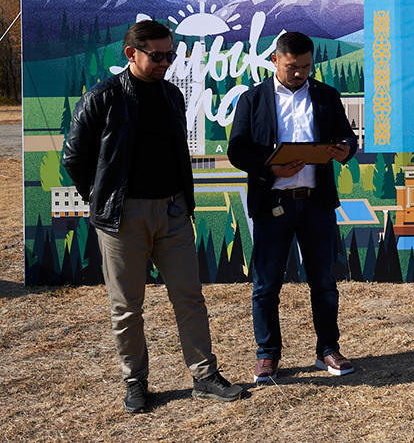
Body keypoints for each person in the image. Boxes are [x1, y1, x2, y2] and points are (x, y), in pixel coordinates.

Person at [62, 20, 244, 413]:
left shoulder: (171, 95)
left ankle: (204, 376)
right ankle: (136, 382)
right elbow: (73, 157)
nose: (166, 62)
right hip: (122, 217)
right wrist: (100, 199)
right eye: (158, 55)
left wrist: (181, 200)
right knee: (127, 306)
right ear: (131, 54)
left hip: (172, 210)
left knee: (189, 297)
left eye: (171, 55)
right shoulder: (102, 98)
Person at [228, 31, 358, 384]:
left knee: (324, 282)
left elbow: (346, 136)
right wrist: (270, 167)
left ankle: (327, 349)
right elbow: (237, 150)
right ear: (274, 61)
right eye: (292, 67)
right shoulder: (253, 99)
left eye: (305, 66)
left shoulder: (326, 96)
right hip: (273, 204)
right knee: (267, 284)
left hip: (316, 205)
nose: (300, 73)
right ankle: (267, 356)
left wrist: (346, 149)